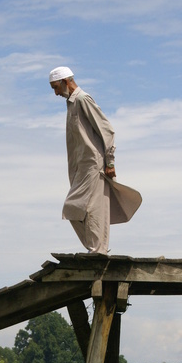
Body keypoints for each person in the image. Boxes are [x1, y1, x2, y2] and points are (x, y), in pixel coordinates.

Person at [49, 66, 118, 255]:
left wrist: (110, 163)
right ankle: (94, 249)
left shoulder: (82, 99)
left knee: (95, 209)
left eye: (56, 87)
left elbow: (107, 130)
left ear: (66, 81)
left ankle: (98, 251)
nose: (55, 93)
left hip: (94, 165)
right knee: (73, 208)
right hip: (81, 167)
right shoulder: (71, 103)